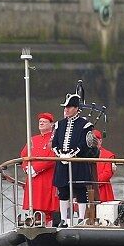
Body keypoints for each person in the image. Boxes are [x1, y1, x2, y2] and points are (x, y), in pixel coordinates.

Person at [51, 93, 98, 225]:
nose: (66, 109)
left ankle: (82, 219)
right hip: (62, 160)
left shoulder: (85, 125)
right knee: (63, 190)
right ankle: (63, 219)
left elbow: (84, 144)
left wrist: (72, 154)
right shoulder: (59, 124)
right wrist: (60, 153)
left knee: (80, 190)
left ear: (77, 108)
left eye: (69, 107)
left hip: (78, 161)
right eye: (65, 107)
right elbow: (55, 143)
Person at [20, 112, 60, 225]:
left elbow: (53, 156)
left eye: (44, 121)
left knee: (47, 204)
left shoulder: (54, 139)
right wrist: (26, 168)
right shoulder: (33, 139)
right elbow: (24, 155)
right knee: (34, 205)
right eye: (40, 121)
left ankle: (48, 223)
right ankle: (35, 221)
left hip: (47, 177)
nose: (41, 122)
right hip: (32, 178)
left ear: (51, 124)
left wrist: (36, 169)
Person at [93, 130, 117, 202]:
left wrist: (94, 183)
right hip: (87, 187)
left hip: (103, 189)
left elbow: (107, 173)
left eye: (95, 140)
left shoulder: (108, 155)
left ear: (100, 141)